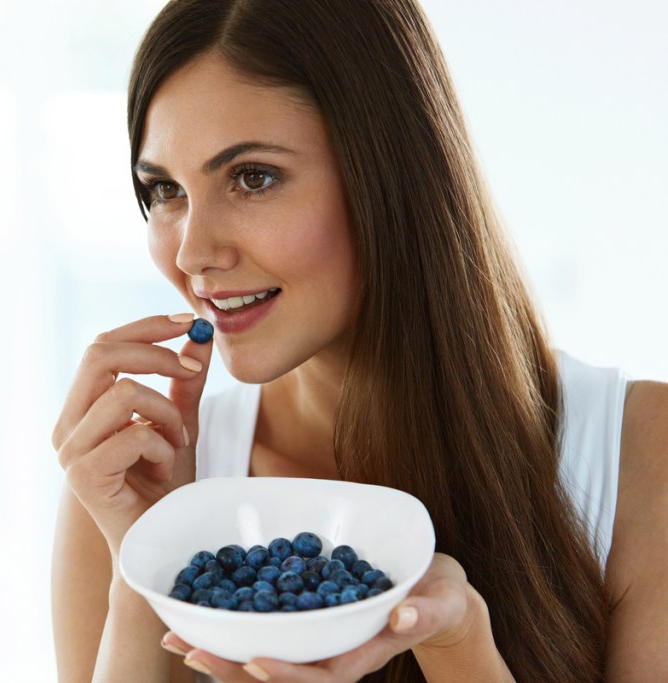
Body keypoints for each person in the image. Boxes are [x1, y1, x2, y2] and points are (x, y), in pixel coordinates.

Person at [50, 0, 668, 681]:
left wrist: (459, 649)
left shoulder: (643, 456)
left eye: (253, 177)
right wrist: (150, 559)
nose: (192, 252)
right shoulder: (133, 486)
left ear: (388, 174)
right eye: (164, 189)